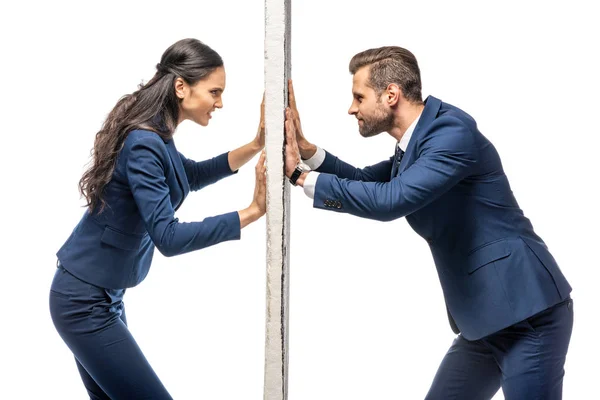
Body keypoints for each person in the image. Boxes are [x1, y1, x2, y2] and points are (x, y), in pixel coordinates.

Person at [283, 46, 573, 399]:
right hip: (484, 321)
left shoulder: (451, 133)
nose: (352, 108)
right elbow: (369, 181)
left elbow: (390, 201)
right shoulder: (417, 141)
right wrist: (306, 150)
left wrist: (300, 177)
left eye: (359, 97)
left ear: (391, 94)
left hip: (527, 314)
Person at [49, 38, 266, 399]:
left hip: (103, 295)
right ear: (182, 86)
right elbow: (168, 237)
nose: (220, 102)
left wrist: (256, 144)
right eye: (214, 91)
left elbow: (188, 176)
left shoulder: (158, 134)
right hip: (83, 301)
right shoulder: (144, 141)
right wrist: (250, 212)